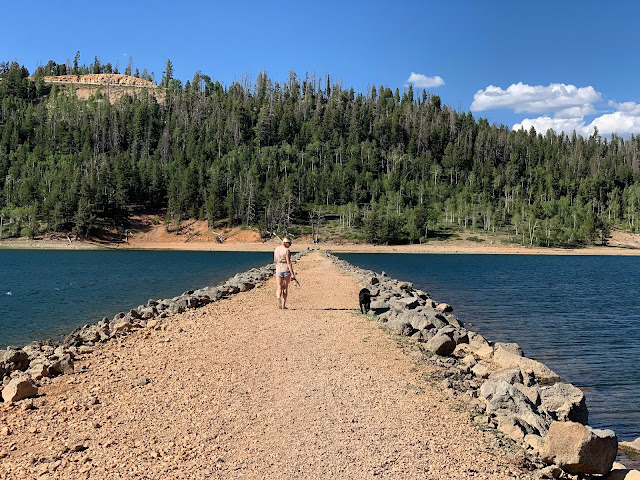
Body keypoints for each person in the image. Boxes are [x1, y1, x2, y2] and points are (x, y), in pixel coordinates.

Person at [274, 237, 296, 309]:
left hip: (278, 269)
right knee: (285, 288)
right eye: (289, 243)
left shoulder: (276, 249)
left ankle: (278, 297)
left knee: (279, 287)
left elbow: (275, 260)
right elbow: (288, 262)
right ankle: (283, 305)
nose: (290, 245)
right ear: (286, 243)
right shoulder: (287, 251)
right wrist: (292, 274)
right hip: (286, 270)